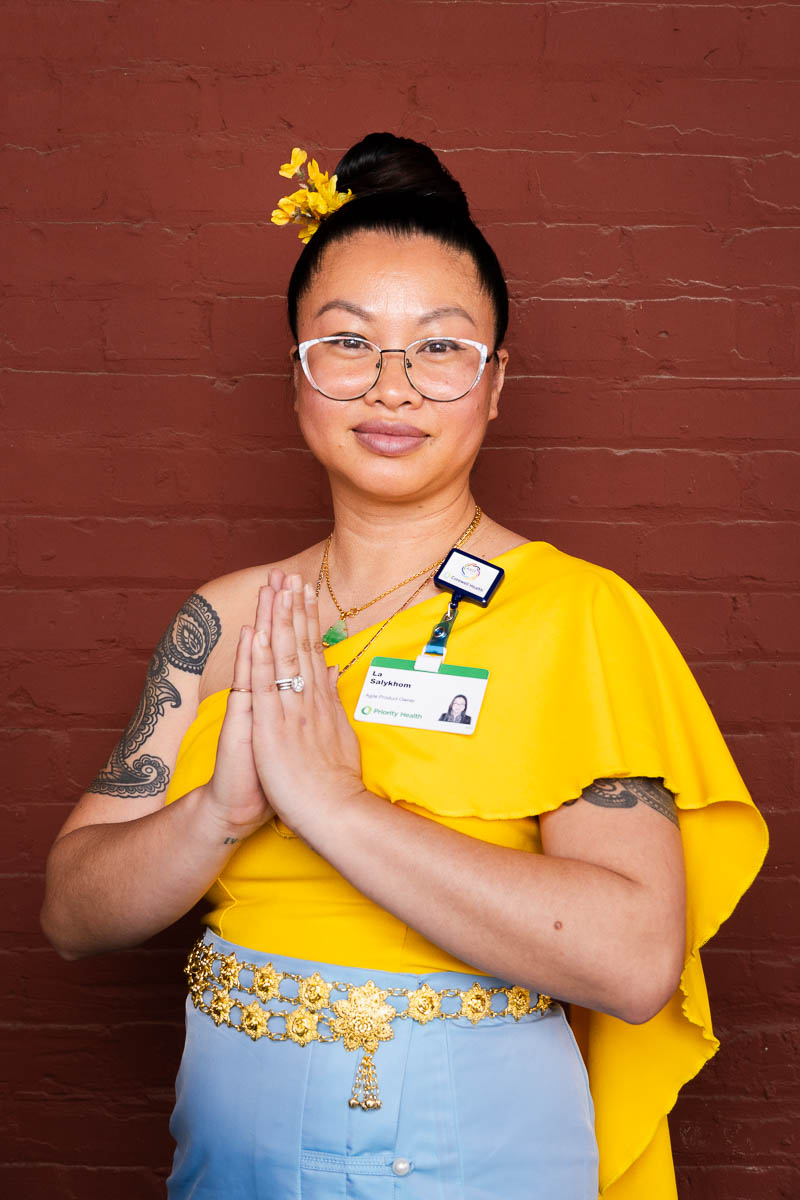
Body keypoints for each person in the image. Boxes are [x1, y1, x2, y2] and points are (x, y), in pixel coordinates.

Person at [40, 133, 768, 1200]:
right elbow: (71, 911)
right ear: (296, 376)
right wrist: (219, 813)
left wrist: (336, 808)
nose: (391, 387)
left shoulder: (577, 615)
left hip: (478, 1141)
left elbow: (630, 959)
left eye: (439, 348)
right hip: (226, 1143)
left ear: (494, 384)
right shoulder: (226, 620)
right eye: (345, 343)